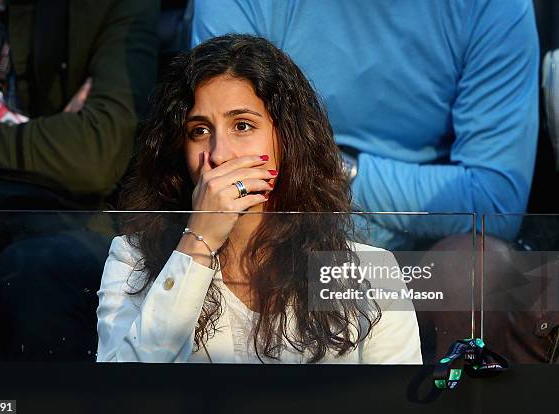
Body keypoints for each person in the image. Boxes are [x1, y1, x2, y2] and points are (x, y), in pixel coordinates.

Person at [96, 34, 422, 364]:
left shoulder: (372, 271)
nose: (220, 155)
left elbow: (394, 405)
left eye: (242, 125)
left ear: (288, 139)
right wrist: (198, 244)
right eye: (199, 131)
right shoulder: (131, 258)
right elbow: (125, 398)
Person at [190, 0, 539, 250]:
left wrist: (336, 172)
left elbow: (495, 203)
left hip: (424, 259)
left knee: (479, 277)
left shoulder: (495, 8)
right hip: (280, 236)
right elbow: (230, 163)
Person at [0, 0, 160, 361]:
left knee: (41, 270)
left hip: (68, 224)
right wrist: (50, 139)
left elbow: (95, 154)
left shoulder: (107, 8)